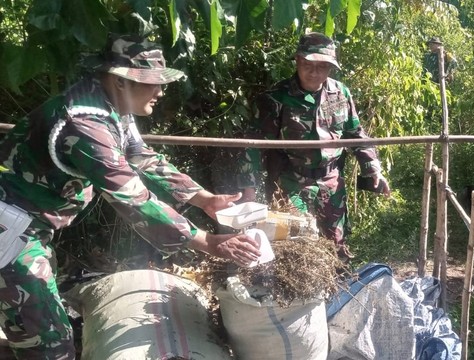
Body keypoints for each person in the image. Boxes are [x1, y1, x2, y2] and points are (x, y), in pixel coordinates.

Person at [0, 34, 261, 359]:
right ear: (121, 81)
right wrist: (205, 241)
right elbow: (132, 198)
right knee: (50, 344)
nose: (161, 90)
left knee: (32, 327)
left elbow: (143, 157)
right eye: (152, 82)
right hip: (12, 232)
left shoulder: (111, 109)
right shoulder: (85, 126)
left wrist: (204, 198)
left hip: (28, 227)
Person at [238, 32, 391, 260]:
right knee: (294, 247)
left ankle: (335, 292)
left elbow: (355, 133)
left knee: (335, 246)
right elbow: (254, 144)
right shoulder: (277, 98)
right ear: (298, 62)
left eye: (322, 66)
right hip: (291, 183)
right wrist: (248, 189)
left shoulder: (340, 93)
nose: (314, 72)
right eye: (308, 64)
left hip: (331, 184)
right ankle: (294, 295)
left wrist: (372, 167)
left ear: (331, 68)